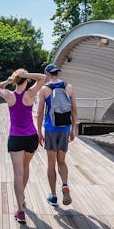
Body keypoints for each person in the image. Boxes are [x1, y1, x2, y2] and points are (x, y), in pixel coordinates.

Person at [0, 68, 46, 223]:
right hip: (31, 137)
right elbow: (43, 78)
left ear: (15, 80)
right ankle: (22, 196)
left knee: (18, 173)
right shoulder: (30, 94)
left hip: (16, 138)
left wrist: (8, 81)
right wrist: (28, 75)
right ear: (25, 81)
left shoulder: (9, 95)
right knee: (25, 168)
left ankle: (20, 210)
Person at [37, 64, 77, 206]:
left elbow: (40, 112)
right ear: (58, 73)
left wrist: (39, 132)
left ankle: (53, 196)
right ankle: (65, 184)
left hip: (50, 128)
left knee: (51, 162)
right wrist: (73, 129)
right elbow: (74, 110)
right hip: (65, 129)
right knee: (62, 161)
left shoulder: (44, 89)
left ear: (47, 74)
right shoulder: (69, 87)